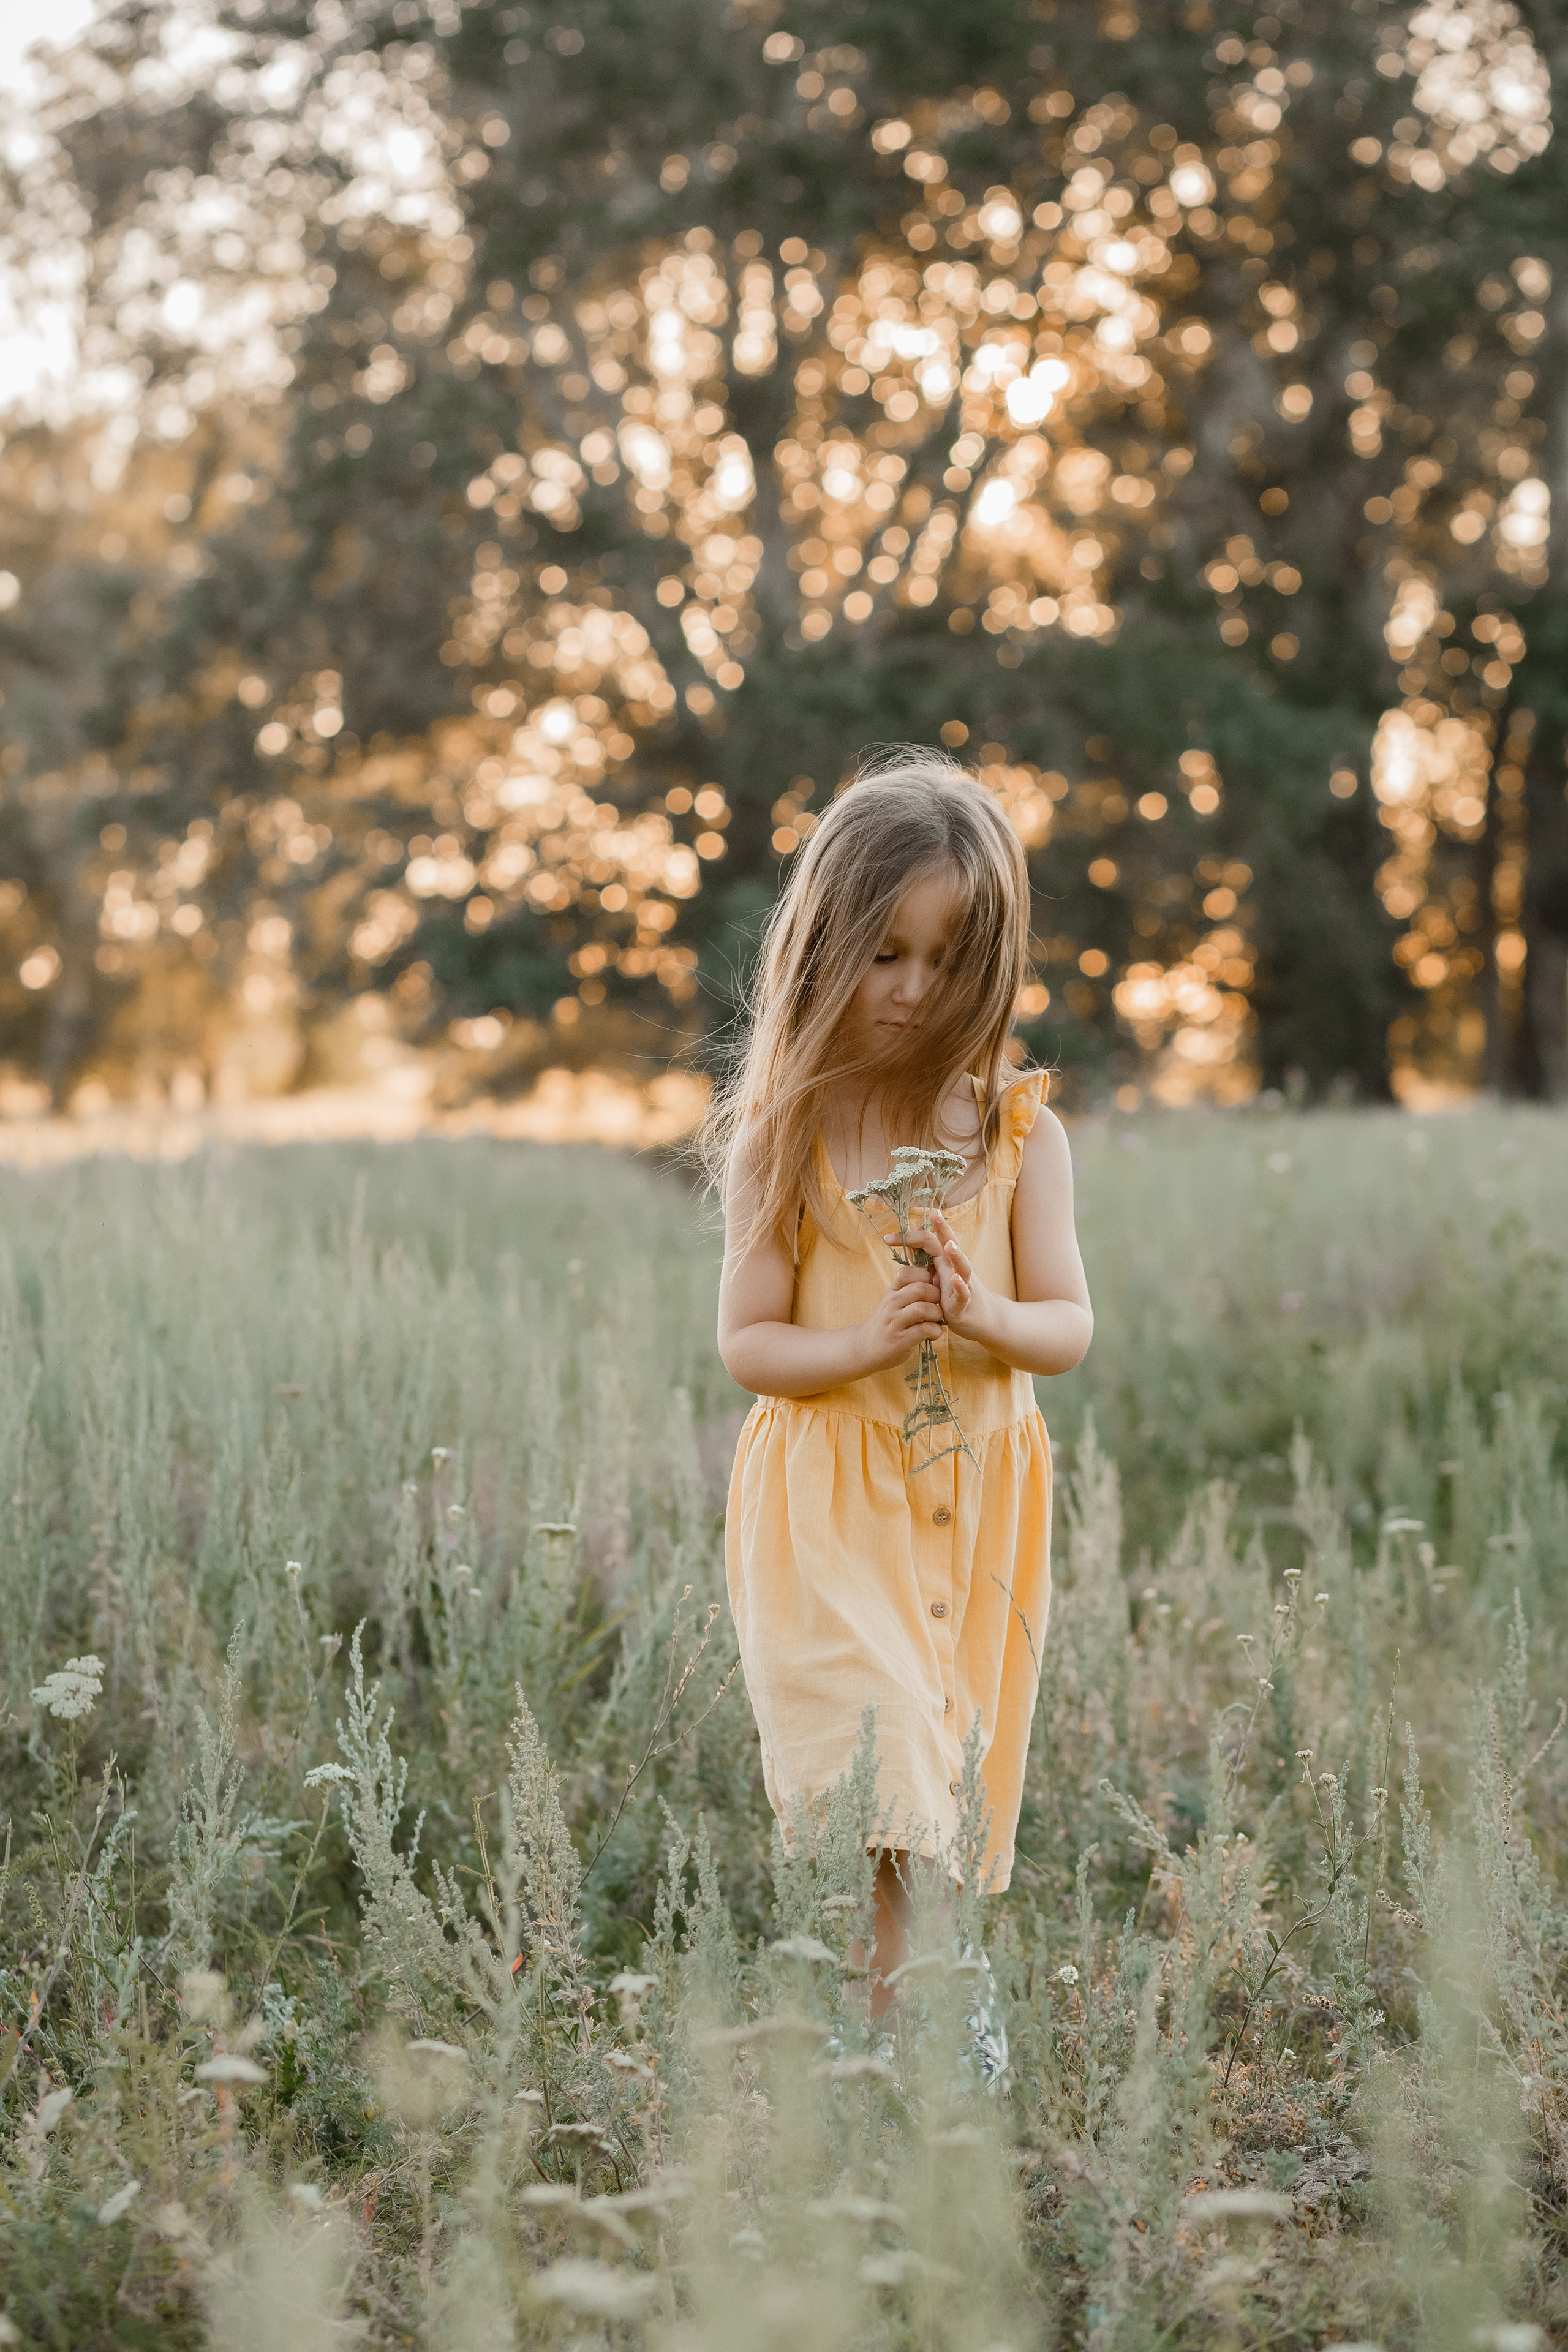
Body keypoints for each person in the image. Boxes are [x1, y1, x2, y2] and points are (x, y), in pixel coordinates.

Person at [709, 746, 1093, 2047]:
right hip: (831, 1515)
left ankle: (901, 2043)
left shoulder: (1018, 1137)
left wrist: (979, 1314)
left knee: (939, 1796)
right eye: (883, 954)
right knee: (886, 1785)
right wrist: (870, 1341)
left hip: (974, 1513)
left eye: (945, 959)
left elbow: (1068, 1325)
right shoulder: (789, 1129)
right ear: (824, 946)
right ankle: (935, 2051)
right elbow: (749, 1345)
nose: (911, 989)